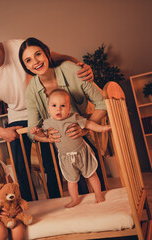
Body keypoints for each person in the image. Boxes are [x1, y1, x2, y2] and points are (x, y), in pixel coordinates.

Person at [0, 23, 94, 201]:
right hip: (17, 116)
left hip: (44, 109)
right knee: (20, 166)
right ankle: (29, 205)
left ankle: (65, 199)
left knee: (54, 158)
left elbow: (56, 58)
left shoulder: (20, 47)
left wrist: (80, 66)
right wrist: (1, 131)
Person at [19, 37, 108, 194]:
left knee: (96, 174)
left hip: (80, 130)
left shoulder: (71, 70)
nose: (35, 62)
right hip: (57, 140)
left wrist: (84, 129)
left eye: (38, 54)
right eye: (28, 60)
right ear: (26, 66)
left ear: (47, 53)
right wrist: (47, 138)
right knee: (55, 169)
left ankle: (102, 202)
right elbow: (32, 130)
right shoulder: (31, 90)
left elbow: (102, 103)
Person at [31, 89, 111, 207]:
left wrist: (102, 128)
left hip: (81, 153)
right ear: (49, 108)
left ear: (69, 108)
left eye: (63, 106)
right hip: (65, 157)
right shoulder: (48, 123)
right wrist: (37, 133)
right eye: (54, 105)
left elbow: (89, 124)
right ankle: (75, 199)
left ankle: (98, 194)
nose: (58, 109)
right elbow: (44, 135)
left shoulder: (74, 117)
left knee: (91, 175)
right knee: (71, 181)